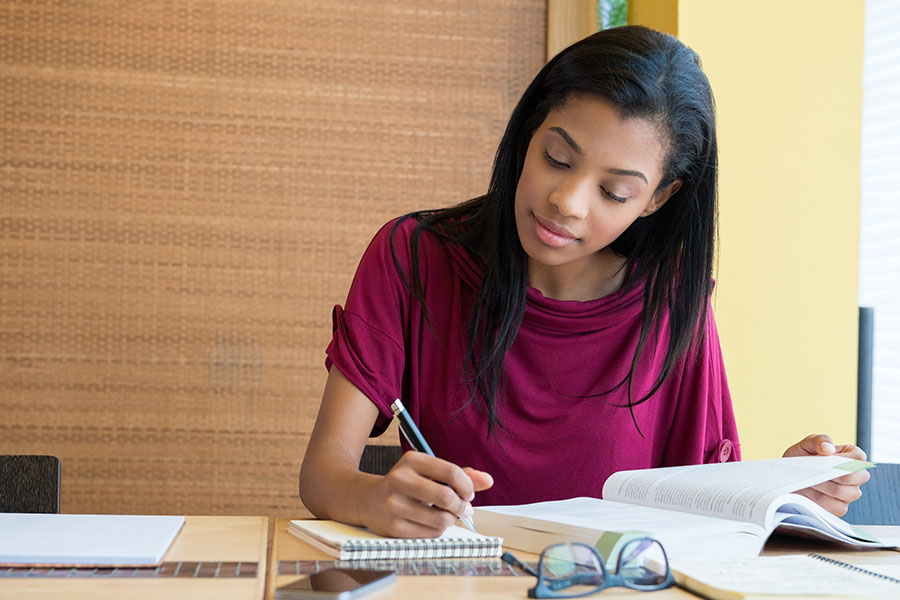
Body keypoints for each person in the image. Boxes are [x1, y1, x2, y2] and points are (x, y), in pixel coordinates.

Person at [298, 25, 868, 539]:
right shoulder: (414, 258)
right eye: (557, 157)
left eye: (614, 193)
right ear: (531, 131)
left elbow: (704, 507)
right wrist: (375, 497)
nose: (566, 203)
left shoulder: (673, 304)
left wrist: (783, 490)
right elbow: (324, 474)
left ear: (657, 199)